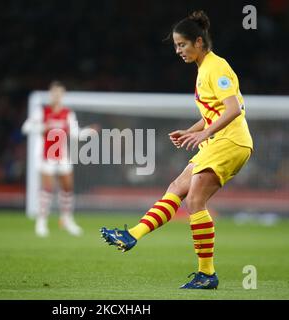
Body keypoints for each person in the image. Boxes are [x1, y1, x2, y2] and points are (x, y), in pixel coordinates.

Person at [100, 10, 253, 290]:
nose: (178, 50)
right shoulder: (204, 68)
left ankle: (207, 274)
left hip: (230, 142)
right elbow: (216, 110)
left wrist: (206, 132)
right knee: (176, 187)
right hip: (217, 140)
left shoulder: (215, 67)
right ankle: (132, 234)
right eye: (175, 46)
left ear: (198, 41)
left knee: (195, 202)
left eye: (182, 44)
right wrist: (194, 130)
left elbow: (234, 109)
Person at [22, 81, 98, 237]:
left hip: (62, 155)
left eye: (59, 93)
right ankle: (41, 222)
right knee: (47, 188)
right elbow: (26, 128)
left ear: (63, 95)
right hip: (45, 155)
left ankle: (67, 220)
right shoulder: (42, 112)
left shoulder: (67, 113)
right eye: (54, 92)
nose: (57, 96)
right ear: (50, 94)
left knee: (67, 187)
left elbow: (75, 133)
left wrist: (88, 132)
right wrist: (43, 127)